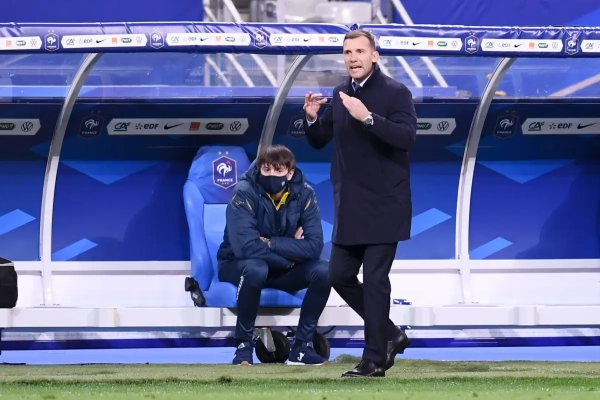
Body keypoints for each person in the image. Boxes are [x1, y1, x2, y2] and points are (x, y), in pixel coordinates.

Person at [303, 29, 418, 378]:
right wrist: (311, 117)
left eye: (359, 51)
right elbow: (320, 139)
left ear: (374, 56)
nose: (352, 58)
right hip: (350, 206)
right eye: (347, 52)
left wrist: (368, 118)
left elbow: (406, 137)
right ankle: (391, 334)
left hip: (385, 203)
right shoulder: (340, 93)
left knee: (376, 279)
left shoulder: (396, 92)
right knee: (338, 274)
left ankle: (374, 360)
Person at [216, 144, 331, 366]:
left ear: (290, 173)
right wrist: (291, 255)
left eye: (278, 170)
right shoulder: (244, 192)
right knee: (256, 268)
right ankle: (243, 346)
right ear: (259, 169)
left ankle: (302, 347)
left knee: (325, 270)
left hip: (280, 269)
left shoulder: (305, 194)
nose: (271, 175)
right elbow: (246, 248)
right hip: (236, 264)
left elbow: (314, 246)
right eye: (266, 169)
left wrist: (270, 243)